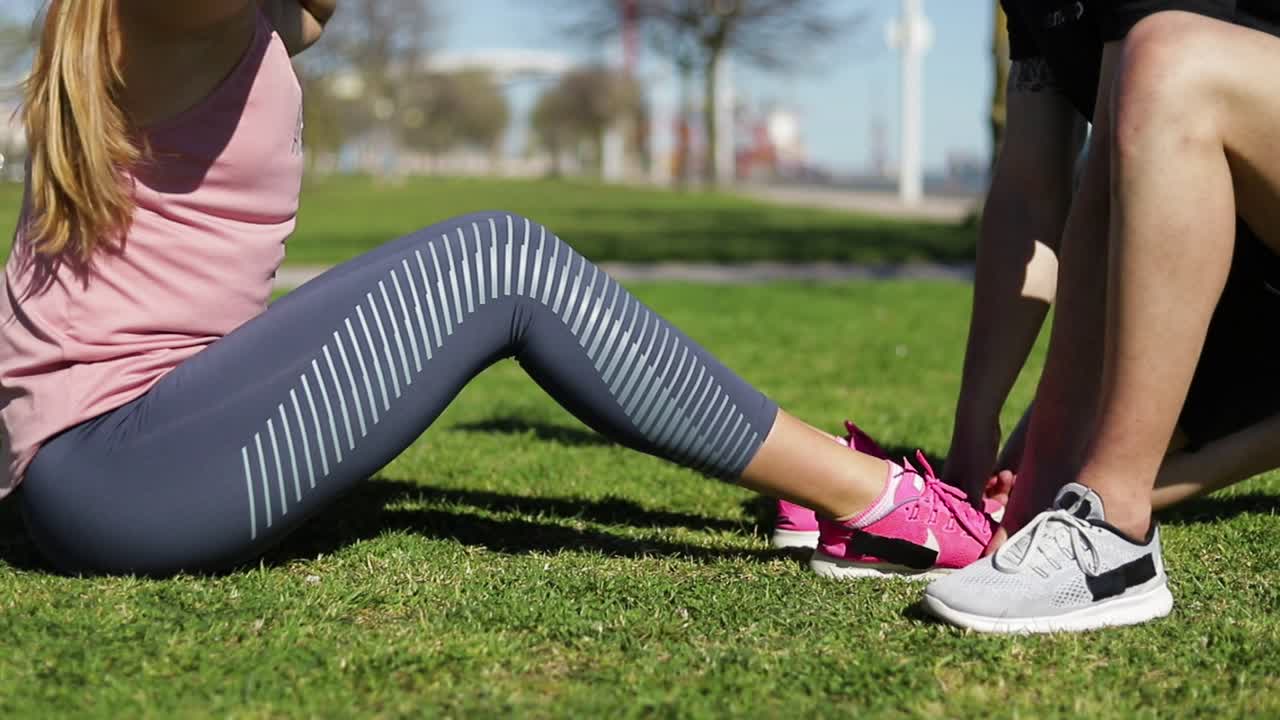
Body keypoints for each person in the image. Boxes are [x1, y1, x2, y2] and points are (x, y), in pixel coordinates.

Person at [0, 0, 995, 578]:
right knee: (499, 263)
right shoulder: (166, 16)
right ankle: (874, 500)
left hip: (138, 448)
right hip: (116, 474)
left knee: (496, 258)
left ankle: (822, 481)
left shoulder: (232, 22)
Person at [922, 0, 1280, 632]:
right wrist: (975, 427)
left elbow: (1105, 197)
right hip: (1250, 276)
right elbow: (1028, 188)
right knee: (1045, 461)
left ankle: (1115, 530)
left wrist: (1052, 468)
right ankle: (1085, 497)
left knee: (1170, 63)